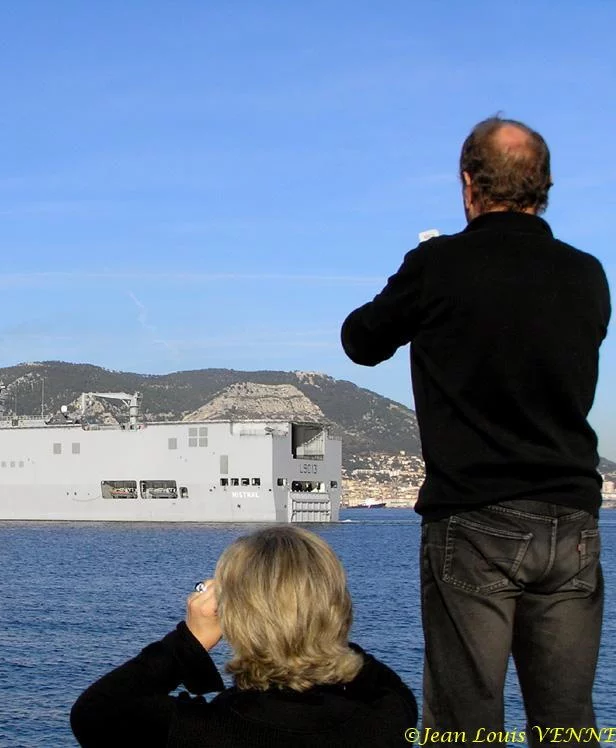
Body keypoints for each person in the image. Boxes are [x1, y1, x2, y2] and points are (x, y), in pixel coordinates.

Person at [341, 116, 610, 743]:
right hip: (571, 521)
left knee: (465, 724)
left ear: (468, 186)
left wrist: (418, 276)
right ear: (543, 186)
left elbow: (360, 341)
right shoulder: (588, 275)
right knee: (567, 723)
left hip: (473, 517)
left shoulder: (438, 266)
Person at [69, 526, 417, 747]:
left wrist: (189, 639)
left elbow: (96, 711)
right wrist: (310, 616)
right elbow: (372, 676)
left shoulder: (200, 731)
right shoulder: (389, 715)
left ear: (232, 615)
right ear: (337, 605)